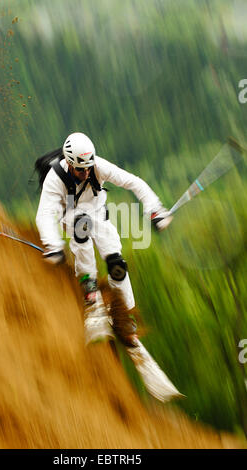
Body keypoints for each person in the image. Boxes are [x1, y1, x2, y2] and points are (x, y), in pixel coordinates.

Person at [36, 132, 172, 345]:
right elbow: (44, 213)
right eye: (81, 169)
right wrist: (53, 245)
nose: (86, 172)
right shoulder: (55, 178)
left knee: (117, 266)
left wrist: (155, 210)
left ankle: (125, 314)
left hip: (99, 214)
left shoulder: (97, 166)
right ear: (69, 163)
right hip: (72, 215)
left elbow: (133, 182)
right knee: (82, 227)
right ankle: (89, 288)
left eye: (88, 167)